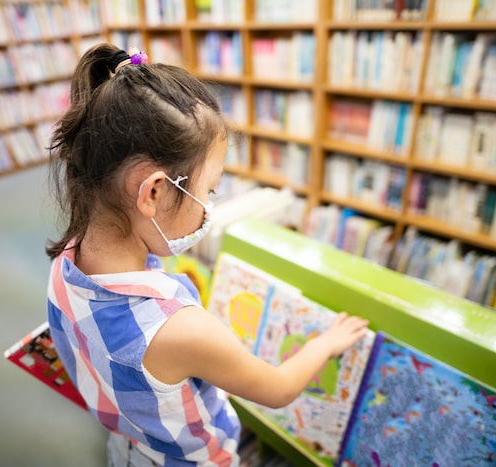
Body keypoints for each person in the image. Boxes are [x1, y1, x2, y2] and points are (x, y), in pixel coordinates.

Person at [45, 43, 370, 467]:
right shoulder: (183, 330)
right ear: (155, 192)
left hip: (129, 444)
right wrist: (326, 343)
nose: (207, 206)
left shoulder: (66, 263)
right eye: (208, 190)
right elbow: (278, 389)